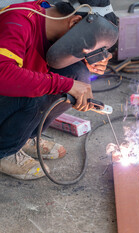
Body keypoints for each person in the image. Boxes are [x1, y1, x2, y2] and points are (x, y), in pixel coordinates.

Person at [0, 0, 117, 180]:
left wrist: (87, 59)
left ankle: (25, 137)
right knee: (39, 93)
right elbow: (4, 75)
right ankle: (5, 150)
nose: (85, 51)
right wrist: (66, 85)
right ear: (75, 22)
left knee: (77, 74)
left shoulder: (51, 17)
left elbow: (54, 59)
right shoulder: (18, 21)